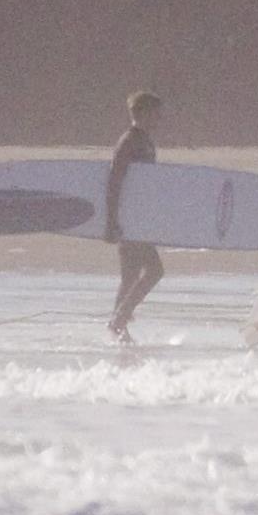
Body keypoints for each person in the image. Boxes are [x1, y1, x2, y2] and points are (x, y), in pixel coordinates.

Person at [103, 91, 164, 342]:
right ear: (142, 113)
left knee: (130, 276)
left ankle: (119, 326)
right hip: (129, 220)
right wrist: (112, 220)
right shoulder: (129, 141)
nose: (159, 119)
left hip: (139, 218)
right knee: (154, 271)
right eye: (155, 113)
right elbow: (114, 180)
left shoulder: (145, 141)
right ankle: (118, 320)